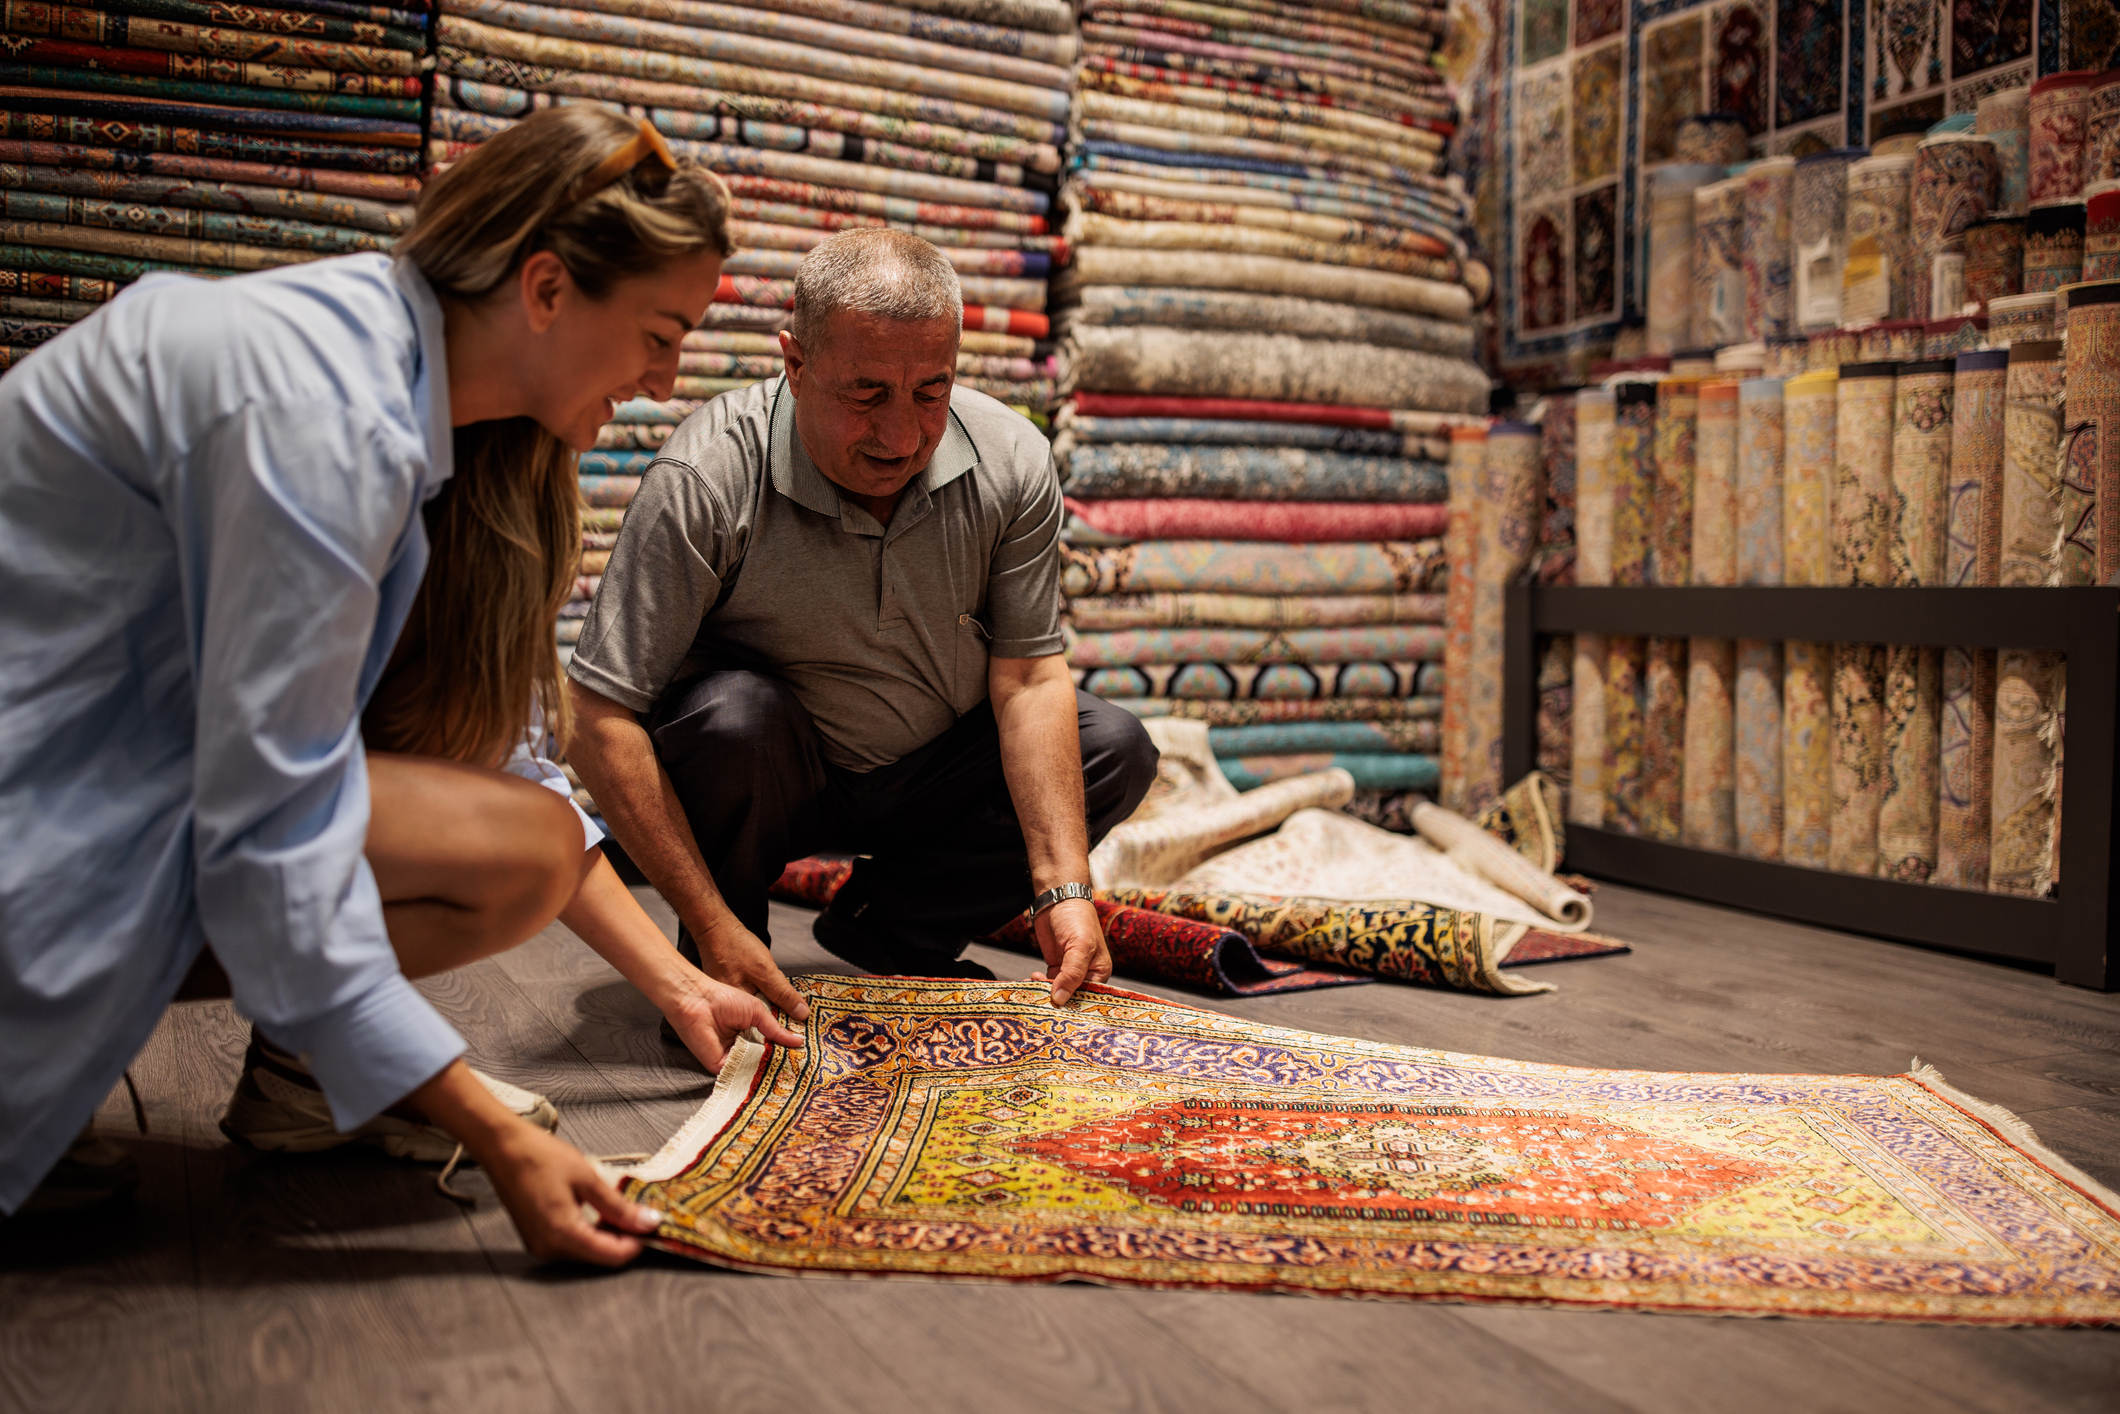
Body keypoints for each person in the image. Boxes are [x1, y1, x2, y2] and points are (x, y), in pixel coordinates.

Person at [0, 108, 800, 1264]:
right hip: (38, 803)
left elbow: (500, 769)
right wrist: (493, 1130)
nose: (666, 379)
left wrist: (679, 981)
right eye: (660, 334)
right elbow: (271, 836)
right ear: (545, 289)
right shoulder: (325, 419)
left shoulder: (425, 399)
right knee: (503, 844)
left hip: (74, 793)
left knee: (518, 831)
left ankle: (298, 1064)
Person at [566, 229, 1159, 1021]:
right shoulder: (706, 477)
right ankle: (729, 959)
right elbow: (597, 715)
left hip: (926, 776)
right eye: (867, 393)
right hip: (774, 779)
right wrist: (709, 921)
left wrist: (1064, 891)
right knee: (733, 718)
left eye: (930, 392)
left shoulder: (1012, 459)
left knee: (1113, 746)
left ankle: (893, 930)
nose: (903, 436)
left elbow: (1027, 675)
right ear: (796, 362)